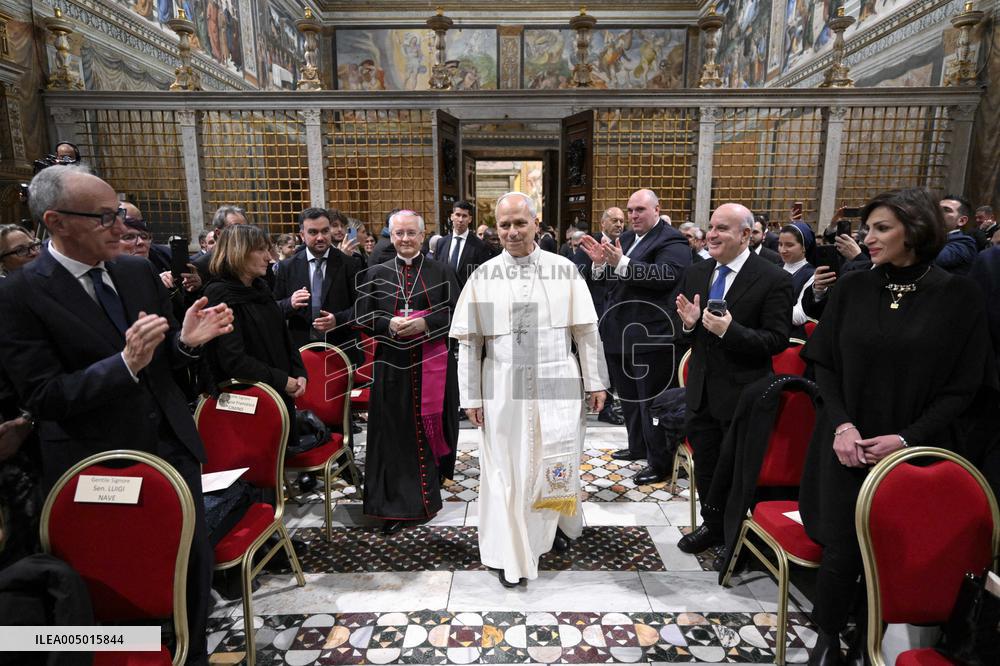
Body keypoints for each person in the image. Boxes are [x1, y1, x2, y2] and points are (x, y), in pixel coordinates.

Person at [0, 165, 234, 666]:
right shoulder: (19, 294)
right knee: (117, 585)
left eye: (122, 215)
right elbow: (43, 396)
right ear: (57, 221)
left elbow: (164, 362)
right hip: (95, 463)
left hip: (171, 450)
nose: (121, 229)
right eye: (105, 217)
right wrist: (123, 365)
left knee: (189, 569)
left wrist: (187, 344)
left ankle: (189, 655)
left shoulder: (133, 271)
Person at [799, 188, 997, 665]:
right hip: (847, 442)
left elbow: (964, 387)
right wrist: (842, 426)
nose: (867, 238)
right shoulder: (853, 286)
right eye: (867, 229)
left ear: (916, 230)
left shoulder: (957, 294)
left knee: (898, 553)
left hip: (917, 449)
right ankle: (827, 638)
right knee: (842, 547)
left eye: (881, 228)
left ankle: (876, 638)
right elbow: (824, 365)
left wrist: (907, 439)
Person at [451, 192, 609, 588]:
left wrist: (595, 381)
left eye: (520, 223)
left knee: (555, 457)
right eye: (504, 225)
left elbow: (585, 331)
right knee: (509, 469)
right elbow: (469, 344)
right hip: (503, 387)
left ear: (536, 224)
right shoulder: (483, 276)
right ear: (495, 228)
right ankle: (512, 552)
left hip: (558, 378)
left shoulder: (564, 269)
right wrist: (470, 397)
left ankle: (552, 526)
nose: (512, 232)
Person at [674, 202, 793, 554]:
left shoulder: (774, 278)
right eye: (711, 227)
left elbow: (776, 341)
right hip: (701, 391)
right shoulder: (698, 273)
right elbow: (681, 334)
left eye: (722, 228)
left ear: (745, 235)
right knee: (707, 466)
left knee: (738, 472)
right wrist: (689, 324)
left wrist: (731, 331)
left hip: (744, 395)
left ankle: (737, 536)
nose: (712, 234)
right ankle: (713, 526)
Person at [355, 210, 460, 536]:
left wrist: (426, 323)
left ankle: (428, 499)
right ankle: (394, 506)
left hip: (434, 365)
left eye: (411, 233)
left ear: (422, 233)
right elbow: (361, 314)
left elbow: (457, 312)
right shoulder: (375, 272)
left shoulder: (442, 270)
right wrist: (388, 323)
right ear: (391, 235)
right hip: (392, 368)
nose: (404, 239)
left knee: (431, 432)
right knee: (394, 438)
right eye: (398, 233)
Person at [579, 189, 691, 484]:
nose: (633, 216)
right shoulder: (625, 239)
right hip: (619, 332)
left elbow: (665, 276)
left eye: (640, 209)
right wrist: (600, 264)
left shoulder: (672, 240)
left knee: (651, 401)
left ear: (657, 209)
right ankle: (637, 446)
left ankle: (659, 461)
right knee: (629, 397)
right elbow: (605, 282)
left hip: (651, 335)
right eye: (630, 210)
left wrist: (621, 263)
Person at [202, 224, 307, 419]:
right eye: (260, 250)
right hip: (244, 402)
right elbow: (233, 359)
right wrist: (282, 380)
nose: (269, 257)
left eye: (268, 249)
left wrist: (299, 371)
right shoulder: (218, 293)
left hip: (276, 393)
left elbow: (283, 336)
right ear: (238, 252)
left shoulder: (261, 287)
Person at [273, 207, 361, 362]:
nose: (320, 237)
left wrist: (337, 320)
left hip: (342, 349)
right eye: (313, 232)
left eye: (325, 231)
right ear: (302, 235)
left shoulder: (350, 264)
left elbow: (363, 307)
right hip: (301, 351)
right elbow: (273, 309)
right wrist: (290, 303)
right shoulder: (287, 267)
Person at [435, 200, 492, 290]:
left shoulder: (480, 246)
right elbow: (436, 273)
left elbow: (483, 278)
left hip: (468, 297)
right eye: (458, 215)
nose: (460, 220)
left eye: (464, 216)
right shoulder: (441, 243)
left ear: (470, 219)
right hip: (445, 299)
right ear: (452, 217)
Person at [936, 194, 977, 276]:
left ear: (961, 220)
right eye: (936, 209)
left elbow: (930, 259)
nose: (938, 213)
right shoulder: (934, 237)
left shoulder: (964, 243)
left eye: (946, 210)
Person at [777, 222, 816, 296]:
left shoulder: (812, 275)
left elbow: (800, 306)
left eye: (789, 245)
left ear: (804, 247)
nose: (782, 250)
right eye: (780, 244)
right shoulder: (774, 268)